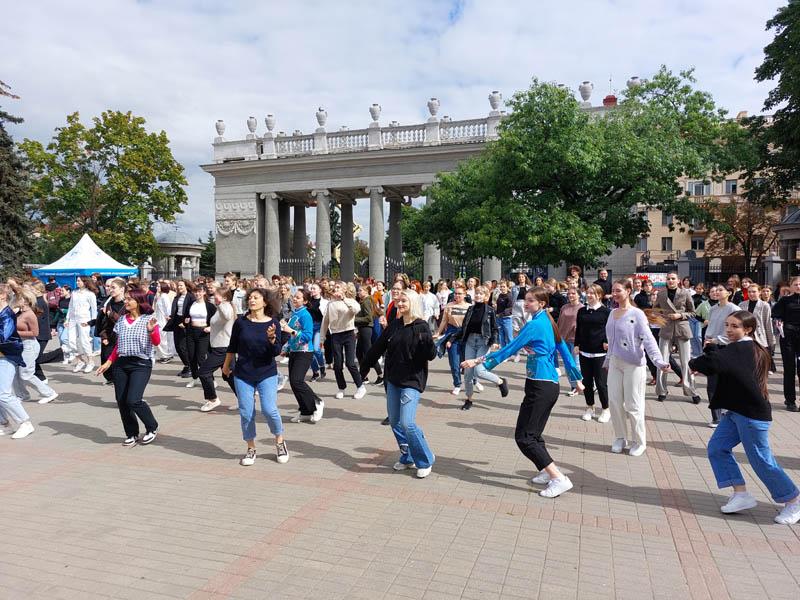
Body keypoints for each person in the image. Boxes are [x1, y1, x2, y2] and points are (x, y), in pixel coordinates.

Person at [462, 287, 583, 497]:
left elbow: (510, 348)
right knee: (534, 434)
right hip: (546, 385)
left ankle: (558, 479)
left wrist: (478, 361)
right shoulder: (547, 321)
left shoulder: (536, 324)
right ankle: (547, 471)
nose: (526, 304)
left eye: (530, 301)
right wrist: (577, 379)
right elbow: (563, 349)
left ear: (542, 304)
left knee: (524, 437)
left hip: (541, 386)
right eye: (525, 300)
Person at [690, 311, 800, 525]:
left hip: (751, 415)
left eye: (735, 326)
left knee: (761, 460)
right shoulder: (741, 348)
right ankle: (741, 494)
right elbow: (720, 362)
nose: (729, 330)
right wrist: (713, 350)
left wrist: (703, 355)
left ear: (747, 329)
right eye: (727, 325)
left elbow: (708, 365)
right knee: (717, 448)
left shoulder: (743, 348)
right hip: (735, 412)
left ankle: (793, 500)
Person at [360, 289, 437, 478]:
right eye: (398, 301)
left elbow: (431, 355)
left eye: (404, 301)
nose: (400, 304)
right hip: (393, 379)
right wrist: (364, 367)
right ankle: (408, 455)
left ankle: (425, 459)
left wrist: (428, 343)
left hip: (412, 380)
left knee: (407, 423)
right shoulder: (394, 325)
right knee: (395, 422)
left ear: (413, 303)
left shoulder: (421, 326)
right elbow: (377, 347)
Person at [222, 288, 289, 466]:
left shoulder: (273, 322)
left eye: (256, 298)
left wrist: (273, 339)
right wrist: (226, 364)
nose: (251, 300)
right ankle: (251, 448)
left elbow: (276, 352)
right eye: (250, 297)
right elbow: (232, 346)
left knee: (269, 409)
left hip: (266, 372)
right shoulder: (241, 322)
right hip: (243, 373)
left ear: (265, 302)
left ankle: (280, 441)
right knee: (246, 412)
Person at [605, 280, 670, 456]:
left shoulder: (637, 314)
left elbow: (648, 340)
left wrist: (659, 361)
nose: (615, 294)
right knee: (614, 401)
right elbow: (611, 342)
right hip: (615, 363)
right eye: (613, 291)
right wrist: (607, 360)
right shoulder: (612, 314)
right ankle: (620, 437)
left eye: (618, 290)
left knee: (633, 405)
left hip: (634, 365)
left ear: (628, 291)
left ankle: (639, 441)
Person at [96, 287, 160, 447]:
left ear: (138, 301)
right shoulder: (122, 320)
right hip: (121, 364)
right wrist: (108, 362)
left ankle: (152, 427)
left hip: (141, 364)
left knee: (134, 400)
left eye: (128, 299)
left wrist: (151, 332)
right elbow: (118, 345)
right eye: (125, 299)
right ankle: (131, 433)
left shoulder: (148, 319)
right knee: (122, 401)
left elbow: (157, 342)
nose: (125, 302)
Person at [454, 286, 509, 411]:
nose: (478, 295)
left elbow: (495, 328)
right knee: (468, 373)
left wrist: (495, 341)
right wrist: (451, 339)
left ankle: (500, 381)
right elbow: (464, 327)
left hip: (483, 342)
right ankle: (469, 399)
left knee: (479, 371)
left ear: (486, 297)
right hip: (470, 341)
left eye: (481, 294)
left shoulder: (490, 311)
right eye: (477, 293)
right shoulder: (470, 309)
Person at [653, 272, 701, 404]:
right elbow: (655, 310)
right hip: (666, 329)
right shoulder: (661, 294)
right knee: (662, 361)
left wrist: (680, 315)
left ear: (678, 280)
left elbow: (693, 312)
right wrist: (660, 317)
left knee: (686, 362)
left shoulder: (685, 293)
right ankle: (661, 391)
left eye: (673, 279)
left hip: (682, 329)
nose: (670, 281)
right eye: (668, 279)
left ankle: (691, 391)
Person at [320, 282, 367, 400]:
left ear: (344, 290)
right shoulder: (330, 303)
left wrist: (344, 299)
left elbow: (356, 310)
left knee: (350, 363)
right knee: (337, 364)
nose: (335, 289)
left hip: (349, 333)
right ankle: (341, 388)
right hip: (335, 335)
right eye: (334, 287)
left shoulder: (350, 301)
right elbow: (325, 321)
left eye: (338, 287)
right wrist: (322, 337)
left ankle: (360, 386)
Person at [283, 289, 324, 423]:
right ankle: (305, 411)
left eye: (299, 298)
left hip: (305, 352)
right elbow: (291, 336)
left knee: (297, 381)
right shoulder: (295, 314)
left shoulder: (305, 315)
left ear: (305, 301)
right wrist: (287, 348)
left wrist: (292, 331)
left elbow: (307, 336)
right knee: (294, 383)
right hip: (295, 352)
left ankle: (317, 402)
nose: (295, 299)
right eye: (294, 297)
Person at [0, 284, 36, 439]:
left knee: (3, 393)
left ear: (2, 296)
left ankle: (25, 423)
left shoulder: (7, 314)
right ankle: (4, 424)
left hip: (7, 357)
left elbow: (3, 337)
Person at [11, 289, 59, 404]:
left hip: (29, 346)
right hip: (20, 346)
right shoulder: (19, 312)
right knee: (15, 372)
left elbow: (35, 333)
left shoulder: (30, 315)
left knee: (26, 374)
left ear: (26, 301)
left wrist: (15, 332)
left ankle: (49, 393)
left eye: (19, 298)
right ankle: (22, 395)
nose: (16, 300)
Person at [703, 285, 741, 427]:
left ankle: (729, 413)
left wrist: (719, 340)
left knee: (727, 382)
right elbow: (710, 327)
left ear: (729, 293)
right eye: (715, 290)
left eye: (720, 290)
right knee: (711, 384)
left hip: (727, 348)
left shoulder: (734, 309)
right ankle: (716, 417)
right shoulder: (712, 309)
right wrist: (707, 341)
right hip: (712, 347)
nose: (717, 292)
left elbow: (736, 330)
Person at [197, 286, 237, 412]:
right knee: (228, 374)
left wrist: (220, 304)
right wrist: (211, 328)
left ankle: (213, 399)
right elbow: (221, 322)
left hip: (223, 348)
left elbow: (226, 316)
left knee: (203, 372)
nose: (214, 297)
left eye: (216, 295)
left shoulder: (225, 306)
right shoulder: (221, 307)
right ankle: (245, 398)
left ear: (224, 297)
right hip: (220, 346)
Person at [574, 285, 610, 422]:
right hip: (584, 351)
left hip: (600, 353)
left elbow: (610, 330)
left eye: (592, 293)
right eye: (588, 293)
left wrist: (607, 341)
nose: (589, 295)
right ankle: (590, 407)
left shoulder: (606, 312)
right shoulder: (582, 311)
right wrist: (577, 344)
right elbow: (579, 329)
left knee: (601, 383)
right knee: (587, 382)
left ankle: (606, 409)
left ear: (599, 295)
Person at [769, 276, 800, 412]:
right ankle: (790, 400)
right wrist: (778, 320)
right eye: (796, 284)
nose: (798, 286)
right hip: (788, 337)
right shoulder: (785, 300)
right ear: (791, 286)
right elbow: (776, 314)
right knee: (789, 369)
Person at [434, 286, 471, 395]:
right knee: (454, 362)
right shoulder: (449, 306)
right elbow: (444, 321)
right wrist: (438, 333)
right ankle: (457, 384)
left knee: (467, 361)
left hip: (466, 336)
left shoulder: (470, 307)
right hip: (452, 334)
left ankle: (474, 380)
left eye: (459, 294)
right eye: (455, 293)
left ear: (465, 295)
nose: (457, 296)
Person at [94, 278, 126, 386]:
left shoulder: (126, 304)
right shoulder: (109, 303)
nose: (110, 290)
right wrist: (104, 336)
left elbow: (124, 321)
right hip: (109, 336)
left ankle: (118, 380)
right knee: (105, 358)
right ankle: (111, 379)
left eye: (113, 287)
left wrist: (110, 314)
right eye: (109, 287)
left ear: (122, 289)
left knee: (117, 361)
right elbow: (104, 322)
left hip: (122, 337)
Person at [184, 284, 216, 389]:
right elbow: (186, 317)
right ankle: (194, 378)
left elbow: (215, 320)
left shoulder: (209, 306)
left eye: (200, 291)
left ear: (204, 292)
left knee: (201, 358)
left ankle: (210, 379)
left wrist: (210, 327)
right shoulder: (190, 304)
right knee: (191, 357)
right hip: (191, 332)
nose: (197, 293)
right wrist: (186, 321)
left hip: (204, 332)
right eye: (196, 291)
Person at [66, 276, 98, 374]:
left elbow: (94, 309)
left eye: (79, 281)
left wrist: (93, 321)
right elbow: (70, 306)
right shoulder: (74, 293)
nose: (77, 282)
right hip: (73, 319)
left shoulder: (90, 294)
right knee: (71, 341)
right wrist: (67, 319)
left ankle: (90, 361)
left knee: (84, 340)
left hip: (84, 319)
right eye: (77, 280)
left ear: (85, 282)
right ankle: (80, 360)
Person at [164, 279, 195, 378]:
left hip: (185, 322)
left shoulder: (191, 297)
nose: (179, 287)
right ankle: (186, 365)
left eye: (181, 285)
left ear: (186, 286)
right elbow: (176, 309)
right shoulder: (177, 296)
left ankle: (191, 367)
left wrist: (186, 322)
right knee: (177, 346)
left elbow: (192, 311)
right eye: (178, 286)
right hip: (177, 320)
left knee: (183, 346)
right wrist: (171, 316)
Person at [556, 286, 582, 396]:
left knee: (575, 365)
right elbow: (559, 322)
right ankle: (574, 385)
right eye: (569, 293)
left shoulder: (582, 308)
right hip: (563, 339)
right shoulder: (564, 307)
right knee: (567, 365)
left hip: (576, 340)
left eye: (573, 293)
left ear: (579, 295)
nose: (571, 295)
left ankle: (579, 385)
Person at [355, 285, 382, 385]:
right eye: (358, 290)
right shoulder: (365, 301)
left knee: (369, 354)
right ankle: (364, 376)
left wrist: (354, 319)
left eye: (361, 290)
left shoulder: (366, 301)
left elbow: (368, 318)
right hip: (362, 329)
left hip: (366, 329)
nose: (358, 292)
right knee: (359, 353)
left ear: (366, 291)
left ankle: (380, 375)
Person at [738, 283, 774, 350]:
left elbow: (768, 324)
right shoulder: (741, 305)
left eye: (754, 292)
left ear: (759, 292)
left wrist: (771, 342)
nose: (751, 294)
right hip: (744, 336)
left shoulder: (765, 305)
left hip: (759, 337)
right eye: (749, 292)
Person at [307, 283, 328, 381]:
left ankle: (322, 365)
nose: (312, 290)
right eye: (311, 288)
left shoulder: (324, 302)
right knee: (309, 351)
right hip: (308, 327)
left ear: (320, 290)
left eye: (314, 288)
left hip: (319, 327)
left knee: (316, 349)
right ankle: (315, 372)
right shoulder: (307, 301)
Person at [154, 282, 176, 362]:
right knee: (161, 338)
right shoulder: (159, 296)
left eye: (159, 286)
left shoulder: (164, 296)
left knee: (164, 338)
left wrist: (168, 317)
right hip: (159, 319)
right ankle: (163, 355)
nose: (157, 287)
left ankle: (167, 355)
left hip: (163, 320)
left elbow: (168, 308)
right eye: (157, 286)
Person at [495, 280, 514, 348]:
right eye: (501, 287)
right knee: (501, 336)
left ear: (507, 287)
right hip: (499, 318)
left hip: (507, 319)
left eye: (504, 287)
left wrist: (500, 314)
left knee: (509, 337)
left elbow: (509, 308)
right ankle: (503, 352)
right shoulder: (500, 295)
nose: (502, 288)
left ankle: (514, 353)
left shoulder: (509, 296)